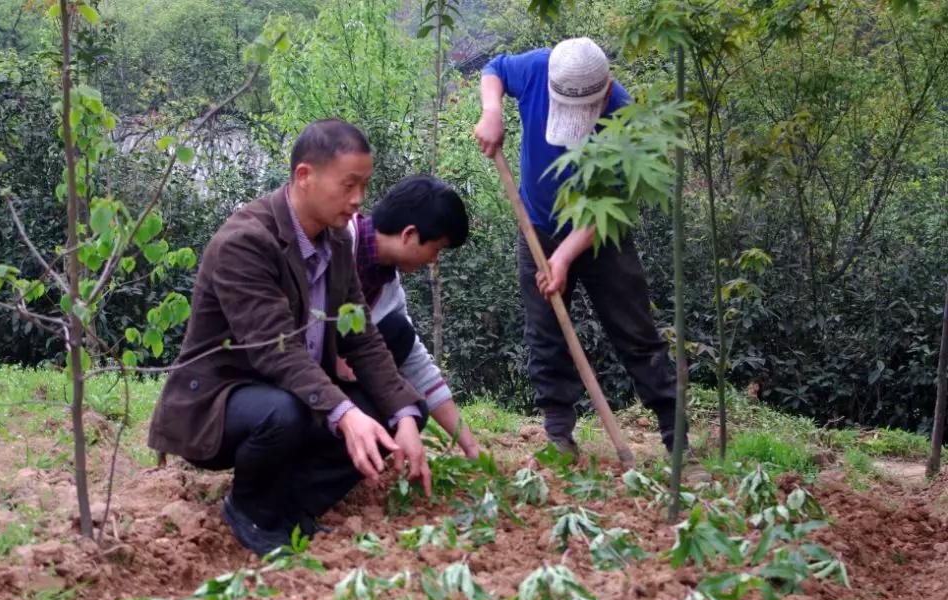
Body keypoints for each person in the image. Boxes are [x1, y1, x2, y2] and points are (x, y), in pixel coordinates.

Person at [148, 119, 430, 556]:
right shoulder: (246, 242)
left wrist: (405, 414)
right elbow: (276, 351)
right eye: (348, 185)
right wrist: (345, 412)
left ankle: (291, 505)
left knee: (398, 411)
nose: (358, 201)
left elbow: (361, 337)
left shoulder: (336, 243)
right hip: (225, 401)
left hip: (297, 393)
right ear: (305, 176)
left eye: (364, 186)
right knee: (285, 413)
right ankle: (251, 508)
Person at [473, 37, 684, 456]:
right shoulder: (539, 68)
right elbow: (493, 69)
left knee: (636, 332)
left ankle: (677, 441)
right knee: (545, 332)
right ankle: (558, 438)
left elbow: (613, 207)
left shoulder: (625, 119)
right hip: (537, 227)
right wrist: (491, 111)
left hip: (602, 234)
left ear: (605, 92)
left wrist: (565, 256)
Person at [336, 175, 482, 459]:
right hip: (296, 377)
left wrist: (470, 445)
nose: (434, 259)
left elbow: (417, 365)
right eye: (436, 249)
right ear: (409, 235)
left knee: (399, 340)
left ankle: (347, 459)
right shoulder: (336, 242)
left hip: (339, 386)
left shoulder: (388, 289)